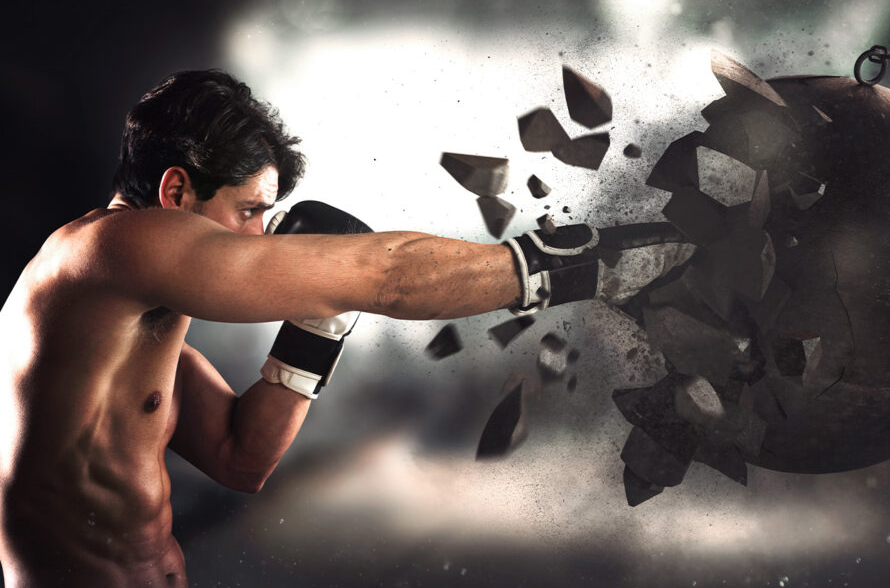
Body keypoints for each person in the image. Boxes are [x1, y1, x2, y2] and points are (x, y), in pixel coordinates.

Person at [0, 70, 689, 587]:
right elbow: (387, 275)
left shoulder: (122, 322)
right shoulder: (115, 247)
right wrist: (576, 266)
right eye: (249, 212)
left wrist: (318, 316)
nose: (262, 237)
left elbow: (242, 459)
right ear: (176, 193)